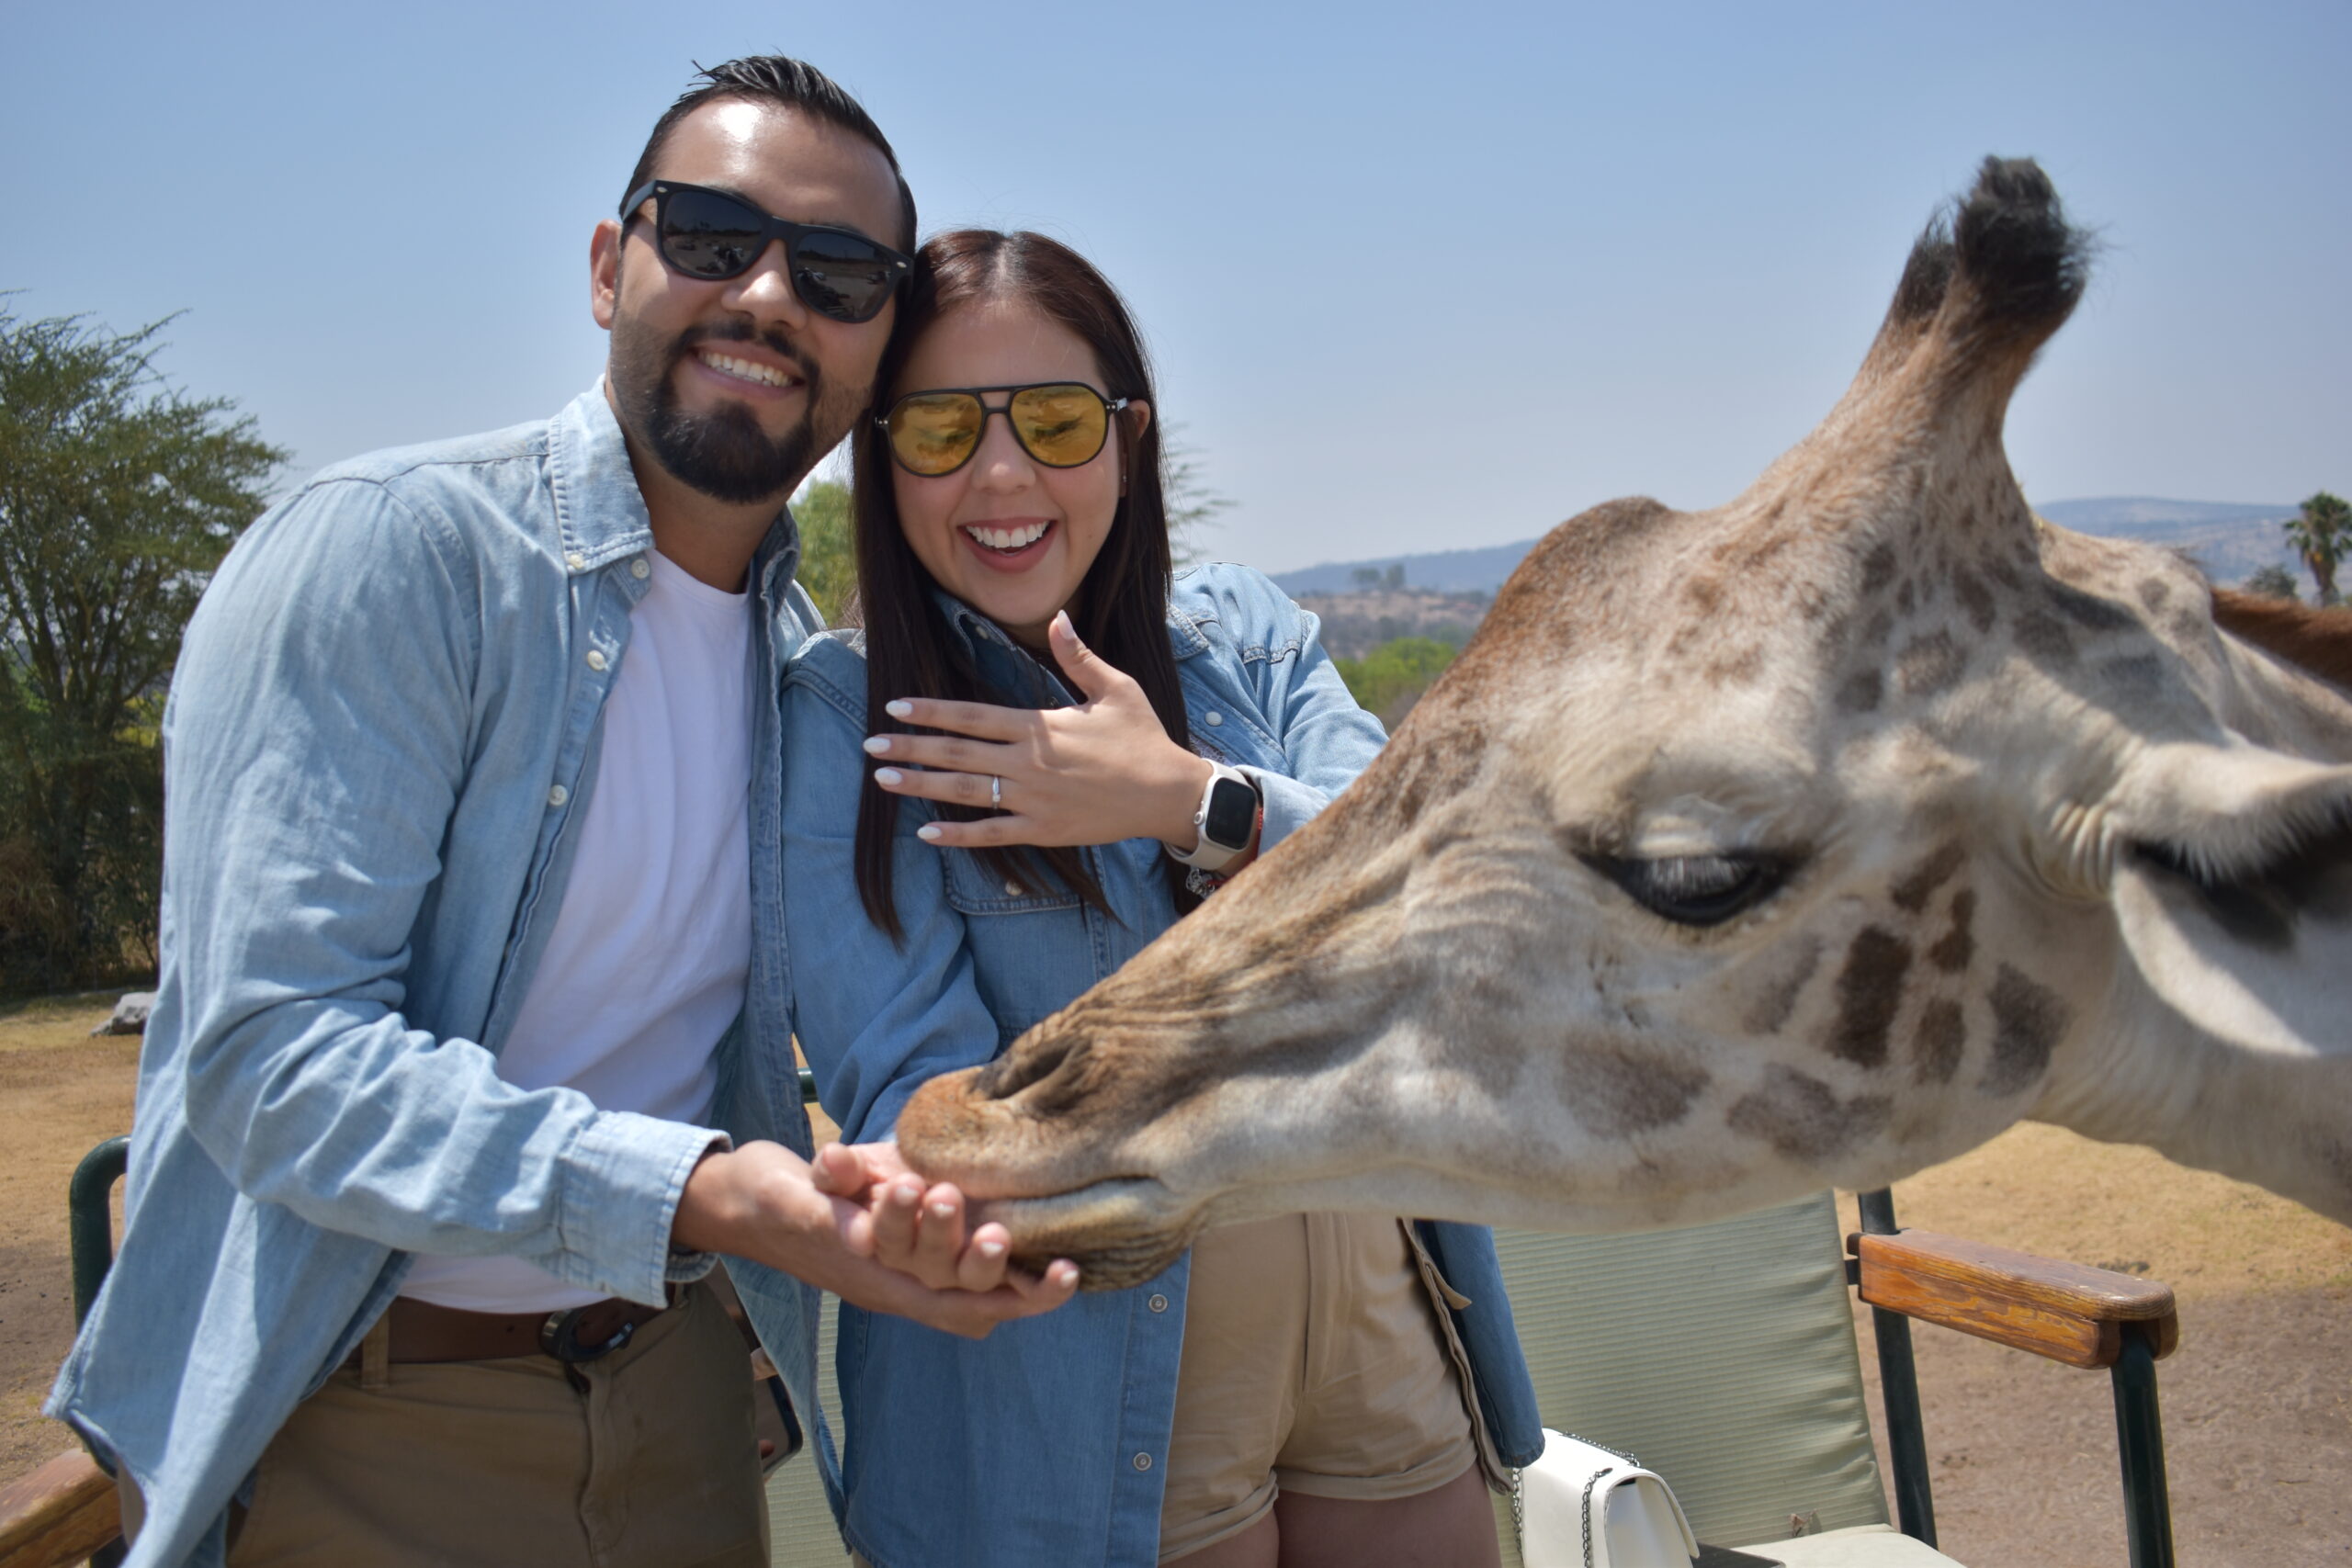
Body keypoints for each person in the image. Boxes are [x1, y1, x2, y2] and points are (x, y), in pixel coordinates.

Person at [46, 57, 1074, 1568]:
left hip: (678, 1400)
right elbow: (270, 1060)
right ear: (611, 267)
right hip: (361, 1423)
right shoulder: (396, 558)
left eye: (842, 273)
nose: (774, 294)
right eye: (715, 237)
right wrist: (713, 1195)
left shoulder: (806, 684)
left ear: (874, 356)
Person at [786, 230, 1544, 1568]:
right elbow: (922, 1091)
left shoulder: (1250, 633)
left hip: (1380, 1307)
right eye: (945, 428)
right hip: (1085, 1378)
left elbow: (1441, 881)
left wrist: (1188, 800)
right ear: (883, 456)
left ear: (1127, 441)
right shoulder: (843, 721)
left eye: (1059, 421)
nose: (1004, 473)